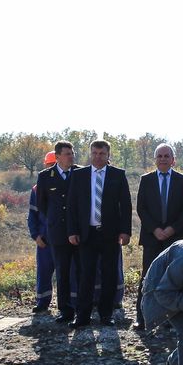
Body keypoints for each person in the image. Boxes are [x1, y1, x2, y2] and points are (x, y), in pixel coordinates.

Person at [66, 140, 132, 326]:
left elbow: (125, 206)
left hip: (110, 234)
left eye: (102, 153)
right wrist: (72, 231)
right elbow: (71, 206)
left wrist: (125, 232)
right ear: (90, 154)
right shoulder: (79, 175)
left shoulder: (118, 175)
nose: (98, 156)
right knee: (85, 275)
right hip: (87, 234)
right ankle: (83, 316)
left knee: (109, 275)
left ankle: (106, 315)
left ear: (108, 155)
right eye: (94, 153)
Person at [135, 143, 183, 329]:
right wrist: (155, 229)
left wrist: (172, 229)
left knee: (174, 277)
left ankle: (170, 318)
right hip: (153, 237)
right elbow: (141, 208)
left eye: (167, 156)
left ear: (173, 159)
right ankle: (143, 317)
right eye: (160, 156)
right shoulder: (146, 179)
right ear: (155, 159)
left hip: (175, 238)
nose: (163, 159)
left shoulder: (182, 180)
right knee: (148, 276)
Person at [35, 141, 77, 324]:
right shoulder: (45, 176)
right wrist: (55, 220)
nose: (70, 156)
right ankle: (65, 310)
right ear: (58, 156)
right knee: (62, 271)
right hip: (58, 232)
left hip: (78, 231)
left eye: (72, 153)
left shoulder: (80, 173)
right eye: (67, 153)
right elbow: (42, 205)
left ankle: (83, 307)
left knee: (82, 270)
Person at [27, 150, 58, 314]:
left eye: (54, 165)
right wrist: (36, 235)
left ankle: (68, 305)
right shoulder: (36, 189)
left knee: (68, 273)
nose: (52, 168)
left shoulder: (68, 185)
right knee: (44, 272)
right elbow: (32, 215)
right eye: (49, 165)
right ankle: (42, 302)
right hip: (44, 240)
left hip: (62, 239)